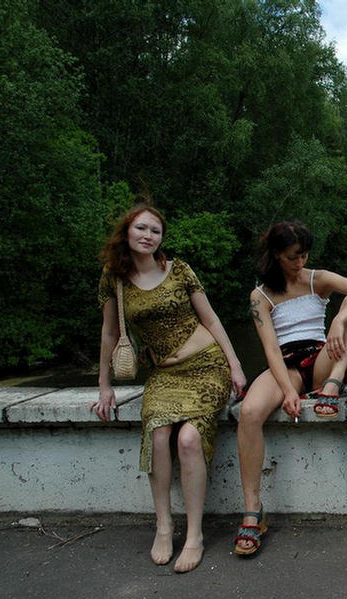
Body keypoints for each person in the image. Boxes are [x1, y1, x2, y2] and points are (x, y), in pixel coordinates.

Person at [92, 203, 246, 573]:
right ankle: (164, 525)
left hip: (206, 365)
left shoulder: (179, 270)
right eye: (141, 228)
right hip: (164, 374)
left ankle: (194, 536)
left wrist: (236, 365)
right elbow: (110, 332)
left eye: (155, 231)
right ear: (127, 232)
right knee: (158, 434)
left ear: (161, 237)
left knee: (189, 440)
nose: (148, 236)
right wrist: (104, 385)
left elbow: (211, 319)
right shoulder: (114, 278)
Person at [234, 220, 347, 556]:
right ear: (275, 255)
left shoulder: (317, 279)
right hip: (286, 363)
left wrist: (338, 320)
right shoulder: (259, 296)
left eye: (304, 255)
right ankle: (253, 511)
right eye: (292, 257)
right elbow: (271, 349)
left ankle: (333, 383)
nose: (300, 262)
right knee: (250, 412)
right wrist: (287, 391)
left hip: (323, 357)